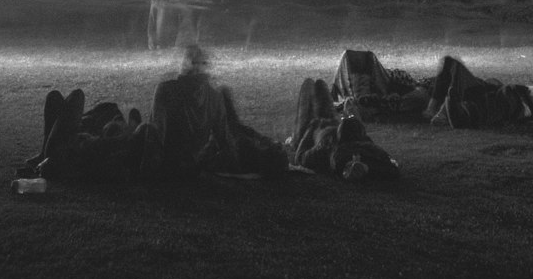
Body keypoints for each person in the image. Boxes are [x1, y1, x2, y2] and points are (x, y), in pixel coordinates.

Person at [142, 44, 287, 180]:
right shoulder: (213, 97)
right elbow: (225, 143)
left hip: (171, 166)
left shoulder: (166, 90)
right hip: (191, 166)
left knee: (142, 130)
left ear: (184, 65)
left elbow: (156, 134)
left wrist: (151, 172)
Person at [290, 77, 401, 182]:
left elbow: (300, 157)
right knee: (320, 84)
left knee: (308, 84)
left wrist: (310, 129)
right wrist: (368, 167)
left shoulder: (326, 145)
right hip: (331, 120)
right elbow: (391, 163)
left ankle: (294, 139)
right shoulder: (365, 142)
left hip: (312, 127)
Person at [422, 56, 533, 129]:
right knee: (450, 63)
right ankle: (444, 108)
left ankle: (449, 110)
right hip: (491, 91)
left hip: (504, 98)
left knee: (490, 105)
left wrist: (522, 92)